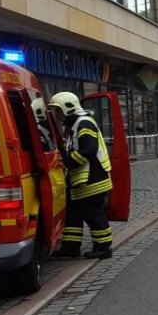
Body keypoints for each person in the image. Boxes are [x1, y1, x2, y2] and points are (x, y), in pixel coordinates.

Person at [47, 92, 113, 259]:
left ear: (68, 108)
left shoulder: (84, 123)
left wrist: (67, 161)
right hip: (81, 181)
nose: (57, 115)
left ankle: (103, 248)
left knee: (94, 215)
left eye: (58, 110)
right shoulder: (75, 125)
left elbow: (88, 151)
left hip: (92, 179)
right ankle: (70, 248)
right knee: (73, 215)